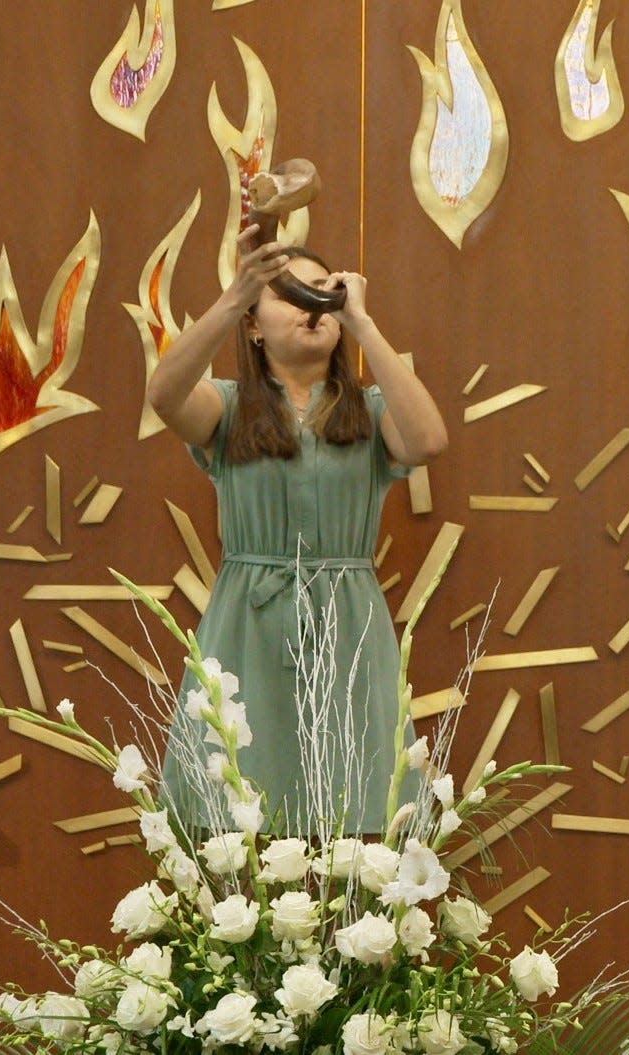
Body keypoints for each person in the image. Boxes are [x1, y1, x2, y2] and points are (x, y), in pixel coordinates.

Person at [147, 226, 448, 834]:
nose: (312, 306)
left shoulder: (368, 411)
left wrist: (364, 326)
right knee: (234, 813)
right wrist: (233, 296)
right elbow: (164, 393)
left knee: (360, 816)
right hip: (247, 624)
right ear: (255, 326)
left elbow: (428, 440)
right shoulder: (229, 408)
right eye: (290, 294)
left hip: (348, 624)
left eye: (323, 293)